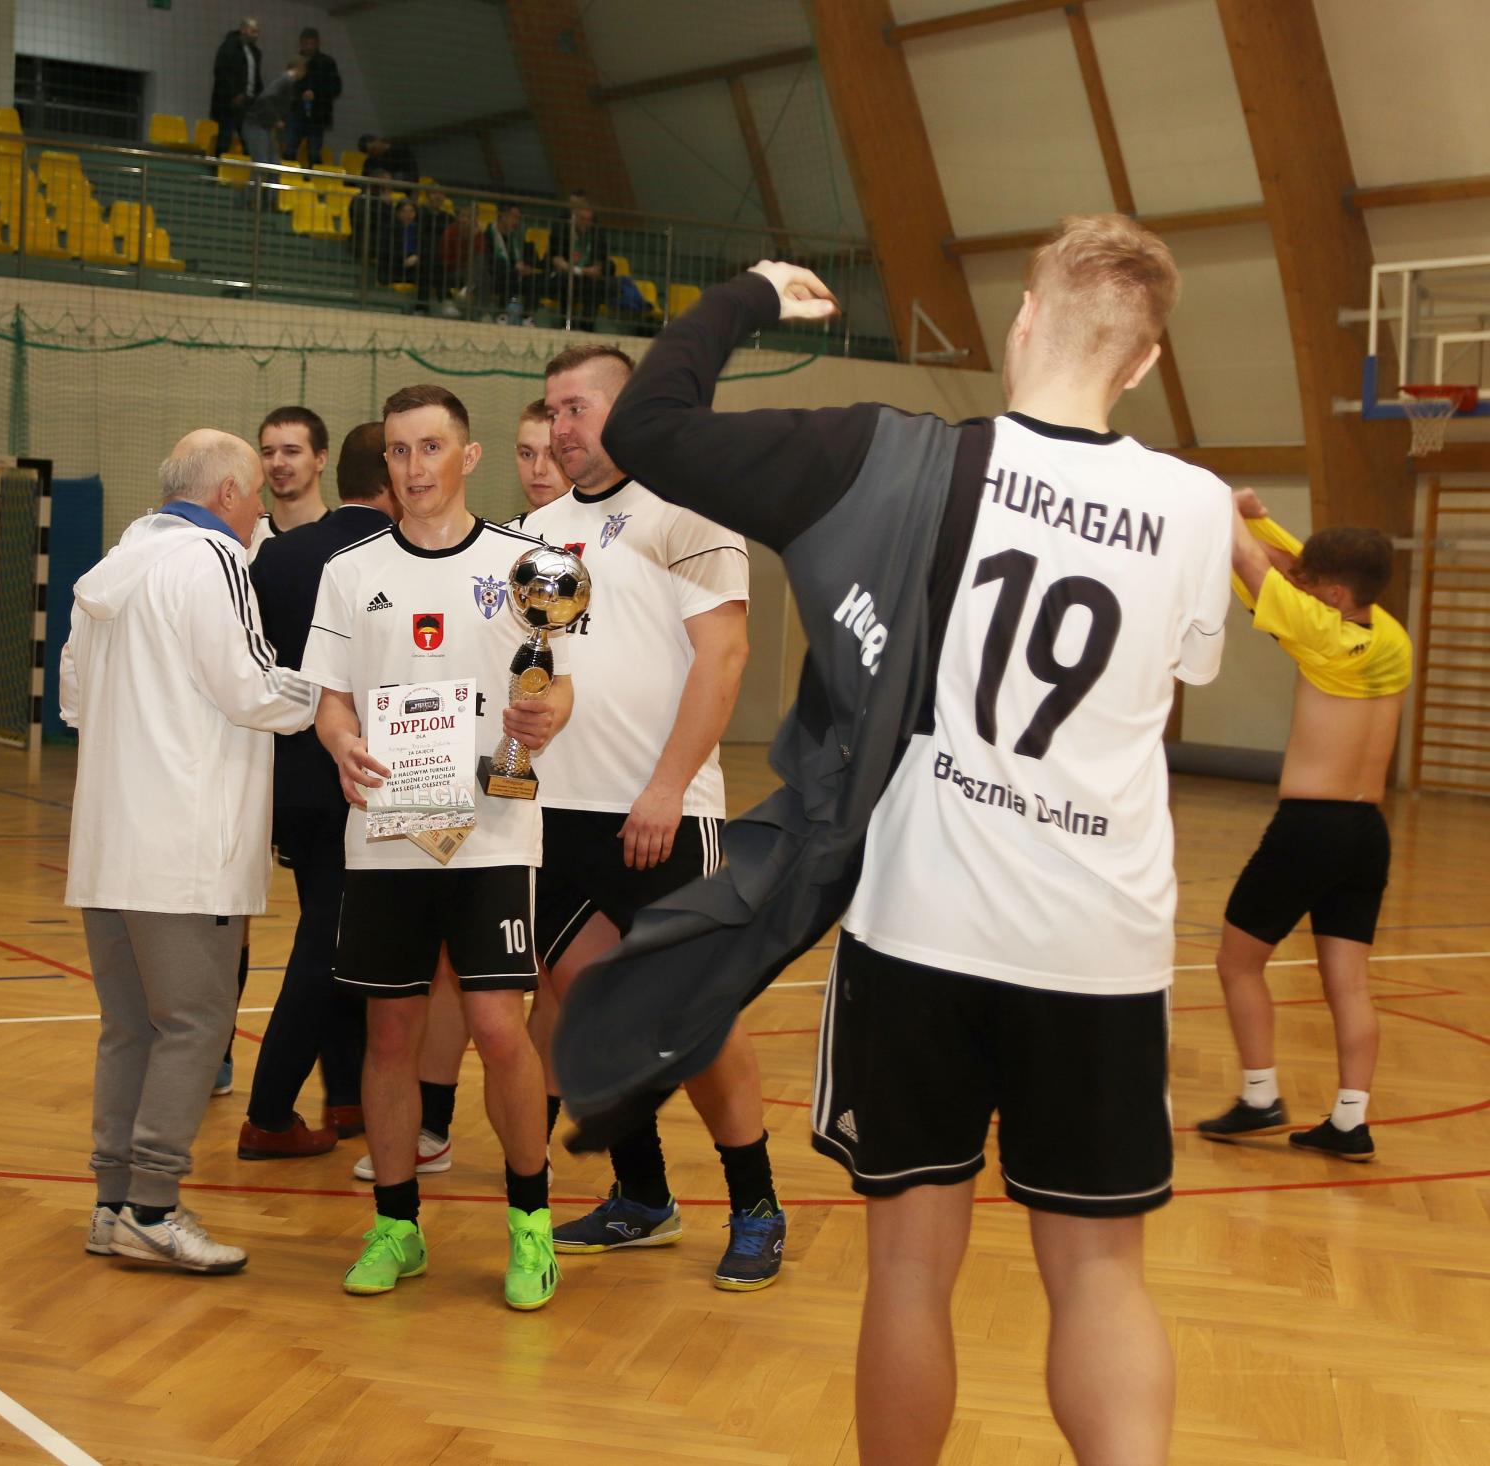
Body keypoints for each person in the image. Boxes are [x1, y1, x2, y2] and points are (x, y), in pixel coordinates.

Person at [580, 219, 1233, 1463]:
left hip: (922, 929)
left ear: (1021, 321)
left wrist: (748, 294)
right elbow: (1177, 663)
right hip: (1098, 945)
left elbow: (646, 426)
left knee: (911, 1269)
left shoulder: (883, 454)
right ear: (1145, 362)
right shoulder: (1195, 507)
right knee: (1101, 1272)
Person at [302, 383, 573, 1311]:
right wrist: (342, 744)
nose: (414, 467)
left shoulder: (525, 564)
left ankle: (530, 1225)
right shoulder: (351, 571)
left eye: (430, 447)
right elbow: (331, 700)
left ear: (468, 455)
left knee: (498, 1028)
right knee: (391, 1032)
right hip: (389, 833)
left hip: (494, 831)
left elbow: (560, 683)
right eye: (399, 451)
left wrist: (545, 713)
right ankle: (396, 1225)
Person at [516, 345, 781, 1290]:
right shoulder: (535, 532)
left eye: (578, 408)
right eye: (552, 411)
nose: (561, 428)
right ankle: (642, 1195)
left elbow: (724, 657)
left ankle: (755, 1205)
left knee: (694, 1017)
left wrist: (667, 788)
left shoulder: (688, 509)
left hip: (659, 813)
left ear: (627, 412)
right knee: (586, 1011)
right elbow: (532, 663)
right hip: (555, 816)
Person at [62, 430, 320, 1272]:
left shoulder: (112, 566)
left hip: (108, 845)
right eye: (255, 497)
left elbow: (73, 700)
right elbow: (253, 688)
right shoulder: (214, 560)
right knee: (196, 1024)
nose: (259, 514)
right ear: (228, 495)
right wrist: (333, 693)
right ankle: (153, 1206)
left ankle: (113, 1203)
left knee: (131, 1027)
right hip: (184, 847)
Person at [1195, 495, 1412, 1162]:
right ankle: (1350, 1121)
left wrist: (1220, 507)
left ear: (1335, 595)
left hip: (1311, 829)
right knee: (1349, 983)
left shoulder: (1321, 635)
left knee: (1237, 962)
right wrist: (1259, 517)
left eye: (1316, 587)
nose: (1304, 589)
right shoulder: (1390, 635)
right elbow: (1292, 566)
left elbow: (1254, 566)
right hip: (1368, 833)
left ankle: (1261, 1095)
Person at [239, 422, 399, 1159]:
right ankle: (269, 1112)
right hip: (368, 779)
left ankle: (347, 1095)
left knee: (333, 931)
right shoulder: (395, 554)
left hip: (294, 781)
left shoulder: (279, 555)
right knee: (327, 942)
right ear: (392, 480)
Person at [252, 405, 331, 557]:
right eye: (268, 453)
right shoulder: (246, 538)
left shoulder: (343, 541)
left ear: (320, 460)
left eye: (291, 451)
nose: (276, 463)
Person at [548, 193, 612, 329]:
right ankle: (565, 324)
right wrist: (581, 271)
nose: (586, 223)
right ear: (575, 217)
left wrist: (592, 270)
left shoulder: (597, 234)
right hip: (566, 275)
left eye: (589, 220)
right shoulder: (561, 230)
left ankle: (587, 326)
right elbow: (558, 262)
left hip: (587, 278)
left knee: (596, 286)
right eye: (583, 219)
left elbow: (599, 264)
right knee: (566, 282)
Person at [283, 26, 341, 165]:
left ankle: (311, 177)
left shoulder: (327, 63)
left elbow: (335, 88)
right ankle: (286, 177)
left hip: (318, 114)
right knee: (290, 149)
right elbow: (288, 86)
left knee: (314, 153)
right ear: (301, 43)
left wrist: (316, 94)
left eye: (312, 43)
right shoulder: (295, 62)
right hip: (297, 111)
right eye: (306, 43)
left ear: (318, 43)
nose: (309, 47)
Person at [474, 203, 540, 324]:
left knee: (533, 279)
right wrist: (514, 267)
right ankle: (502, 315)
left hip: (514, 276)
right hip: (493, 276)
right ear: (503, 216)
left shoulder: (516, 238)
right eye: (514, 217)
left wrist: (526, 266)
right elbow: (488, 261)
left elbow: (531, 257)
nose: (517, 222)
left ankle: (528, 318)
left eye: (519, 218)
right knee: (509, 275)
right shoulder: (488, 235)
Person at [240, 54, 302, 179]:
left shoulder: (286, 82)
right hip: (256, 124)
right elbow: (266, 98)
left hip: (265, 126)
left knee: (274, 165)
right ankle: (254, 192)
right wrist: (276, 119)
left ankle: (270, 191)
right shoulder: (285, 81)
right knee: (262, 164)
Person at [209, 15, 262, 158]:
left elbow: (256, 78)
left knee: (248, 139)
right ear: (243, 30)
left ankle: (248, 169)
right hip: (229, 103)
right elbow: (222, 72)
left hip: (248, 103)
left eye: (257, 32)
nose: (256, 35)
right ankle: (217, 167)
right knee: (225, 136)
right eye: (253, 31)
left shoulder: (255, 53)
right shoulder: (228, 47)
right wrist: (233, 94)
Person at [513, 397, 570, 516]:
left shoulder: (602, 526)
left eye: (553, 455)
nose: (538, 470)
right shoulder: (497, 529)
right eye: (527, 454)